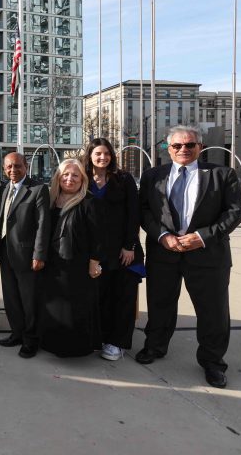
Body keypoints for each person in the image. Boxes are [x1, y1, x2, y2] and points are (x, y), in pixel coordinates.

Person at [137, 125, 241, 388]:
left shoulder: (222, 174)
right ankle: (155, 346)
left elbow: (234, 213)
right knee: (160, 305)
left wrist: (202, 237)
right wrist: (163, 236)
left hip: (208, 256)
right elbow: (144, 211)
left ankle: (213, 362)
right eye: (177, 145)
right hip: (164, 253)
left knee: (213, 312)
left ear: (200, 147)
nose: (183, 149)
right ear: (168, 148)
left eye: (189, 145)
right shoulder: (152, 176)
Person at [83, 138, 143, 362]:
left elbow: (134, 214)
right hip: (94, 252)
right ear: (90, 155)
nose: (103, 157)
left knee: (123, 297)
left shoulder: (123, 179)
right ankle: (99, 338)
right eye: (98, 153)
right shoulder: (83, 179)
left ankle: (117, 342)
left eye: (107, 153)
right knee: (100, 297)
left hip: (123, 251)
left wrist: (129, 246)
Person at [40, 158, 103, 358]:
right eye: (65, 174)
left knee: (73, 308)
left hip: (77, 265)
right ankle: (52, 344)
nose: (70, 179)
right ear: (58, 178)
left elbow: (98, 236)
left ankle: (74, 348)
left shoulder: (88, 201)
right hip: (52, 263)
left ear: (82, 179)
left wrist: (94, 262)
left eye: (75, 175)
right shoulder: (51, 200)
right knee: (55, 306)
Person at [0, 152, 50, 357]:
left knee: (29, 301)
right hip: (5, 252)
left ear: (26, 166)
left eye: (17, 166)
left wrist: (39, 255)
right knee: (11, 297)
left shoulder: (38, 189)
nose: (13, 170)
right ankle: (16, 333)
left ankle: (31, 340)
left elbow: (43, 225)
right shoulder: (4, 188)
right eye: (9, 166)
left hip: (27, 255)